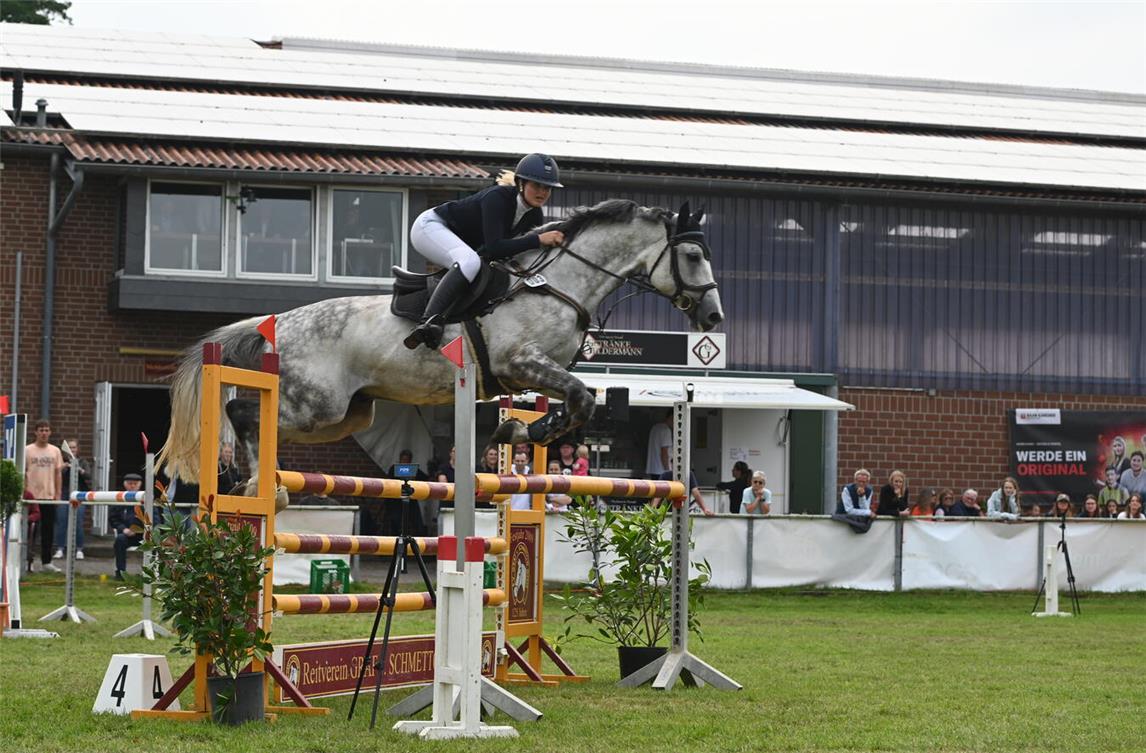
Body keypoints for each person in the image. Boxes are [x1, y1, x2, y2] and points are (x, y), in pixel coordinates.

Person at [403, 153, 566, 350]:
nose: (542, 192)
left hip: (461, 242)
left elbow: (503, 254)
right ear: (521, 183)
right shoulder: (497, 198)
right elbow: (494, 247)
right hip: (429, 227)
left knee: (481, 267)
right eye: (537, 185)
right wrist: (538, 239)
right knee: (469, 262)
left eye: (547, 187)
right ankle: (429, 322)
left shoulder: (534, 215)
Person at [24, 419, 63, 573]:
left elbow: (57, 474)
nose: (44, 433)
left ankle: (47, 562)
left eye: (46, 430)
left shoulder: (55, 451)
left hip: (49, 496)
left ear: (50, 432)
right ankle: (28, 561)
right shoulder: (27, 450)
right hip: (31, 497)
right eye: (41, 430)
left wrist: (58, 494)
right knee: (31, 531)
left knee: (48, 531)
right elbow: (23, 473)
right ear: (36, 432)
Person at [55, 436, 92, 560]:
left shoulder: (83, 462)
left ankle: (79, 549)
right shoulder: (62, 461)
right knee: (62, 521)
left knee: (78, 522)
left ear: (78, 449)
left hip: (79, 494)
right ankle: (60, 548)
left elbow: (88, 475)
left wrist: (79, 469)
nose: (72, 449)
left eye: (74, 447)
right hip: (64, 494)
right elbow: (56, 474)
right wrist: (64, 467)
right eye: (70, 447)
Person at [109, 473, 145, 580]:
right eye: (130, 484)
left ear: (139, 485)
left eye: (135, 484)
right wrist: (123, 529)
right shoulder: (120, 500)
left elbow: (155, 519)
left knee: (154, 544)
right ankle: (120, 573)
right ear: (125, 485)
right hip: (126, 535)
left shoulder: (146, 499)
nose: (132, 486)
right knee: (119, 540)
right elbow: (113, 519)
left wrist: (139, 529)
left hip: (144, 535)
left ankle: (150, 574)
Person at [833, 468, 875, 533]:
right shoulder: (847, 489)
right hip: (843, 520)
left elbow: (865, 508)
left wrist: (862, 496)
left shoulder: (869, 491)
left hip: (858, 520)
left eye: (863, 482)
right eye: (859, 481)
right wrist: (868, 512)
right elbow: (849, 510)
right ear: (855, 481)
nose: (861, 484)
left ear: (867, 482)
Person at [645, 410, 673, 479]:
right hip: (662, 470)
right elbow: (664, 452)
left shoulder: (655, 428)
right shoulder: (666, 430)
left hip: (653, 469)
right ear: (672, 418)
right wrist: (668, 470)